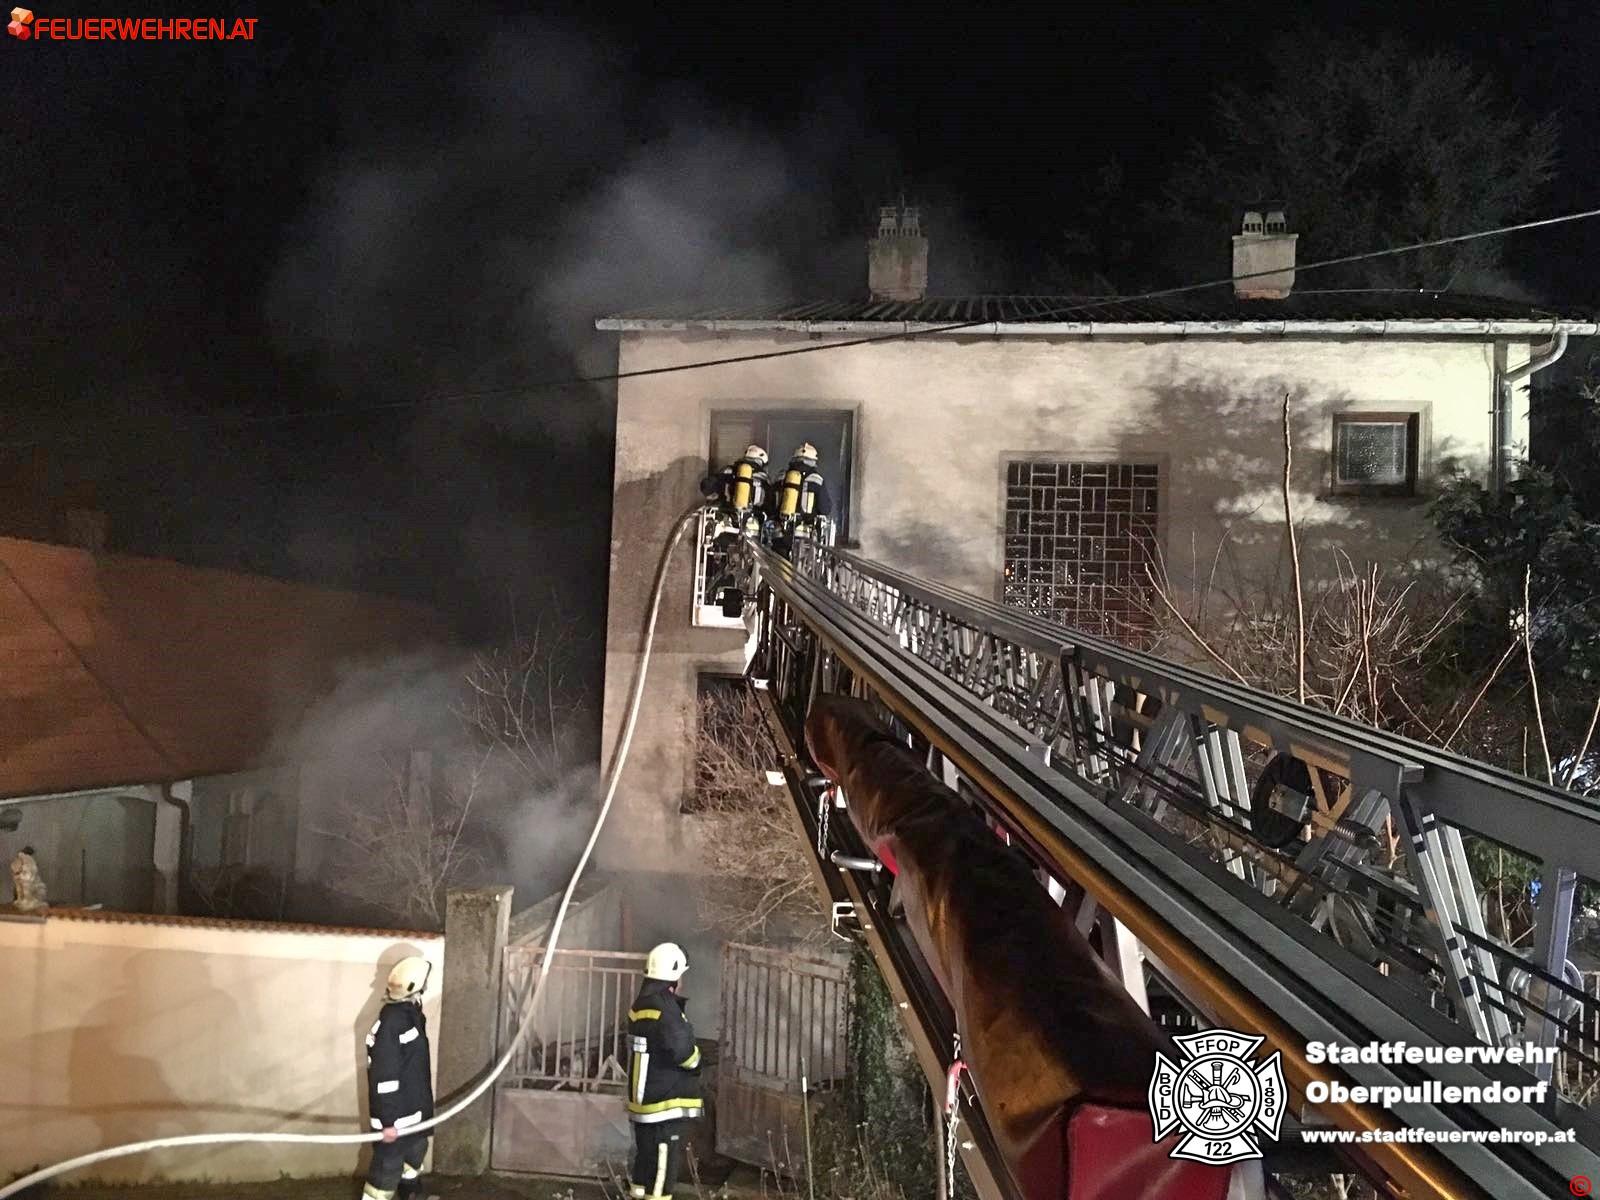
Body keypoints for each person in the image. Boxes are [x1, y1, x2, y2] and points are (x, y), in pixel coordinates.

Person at [625, 942, 703, 1200]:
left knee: (644, 1164)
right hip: (663, 1102)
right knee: (661, 1170)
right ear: (674, 975)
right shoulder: (666, 1009)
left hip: (644, 1099)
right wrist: (697, 1061)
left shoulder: (640, 1005)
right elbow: (683, 1052)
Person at [362, 956, 436, 1200]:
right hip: (396, 1120)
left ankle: (411, 1194)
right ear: (415, 987)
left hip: (413, 1115)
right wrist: (387, 1122)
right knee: (386, 1171)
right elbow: (384, 1078)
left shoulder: (409, 1015)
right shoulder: (392, 1023)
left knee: (414, 1158)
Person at [770, 442, 834, 555]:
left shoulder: (782, 476)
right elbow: (825, 508)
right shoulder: (817, 480)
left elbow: (772, 502)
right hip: (804, 535)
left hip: (780, 532)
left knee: (778, 564)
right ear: (813, 461)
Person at [9, 845, 46, 911]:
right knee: (21, 889)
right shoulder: (25, 859)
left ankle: (25, 900)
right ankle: (23, 900)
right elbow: (16, 867)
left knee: (24, 889)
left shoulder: (26, 859)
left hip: (26, 878)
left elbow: (32, 870)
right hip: (24, 877)